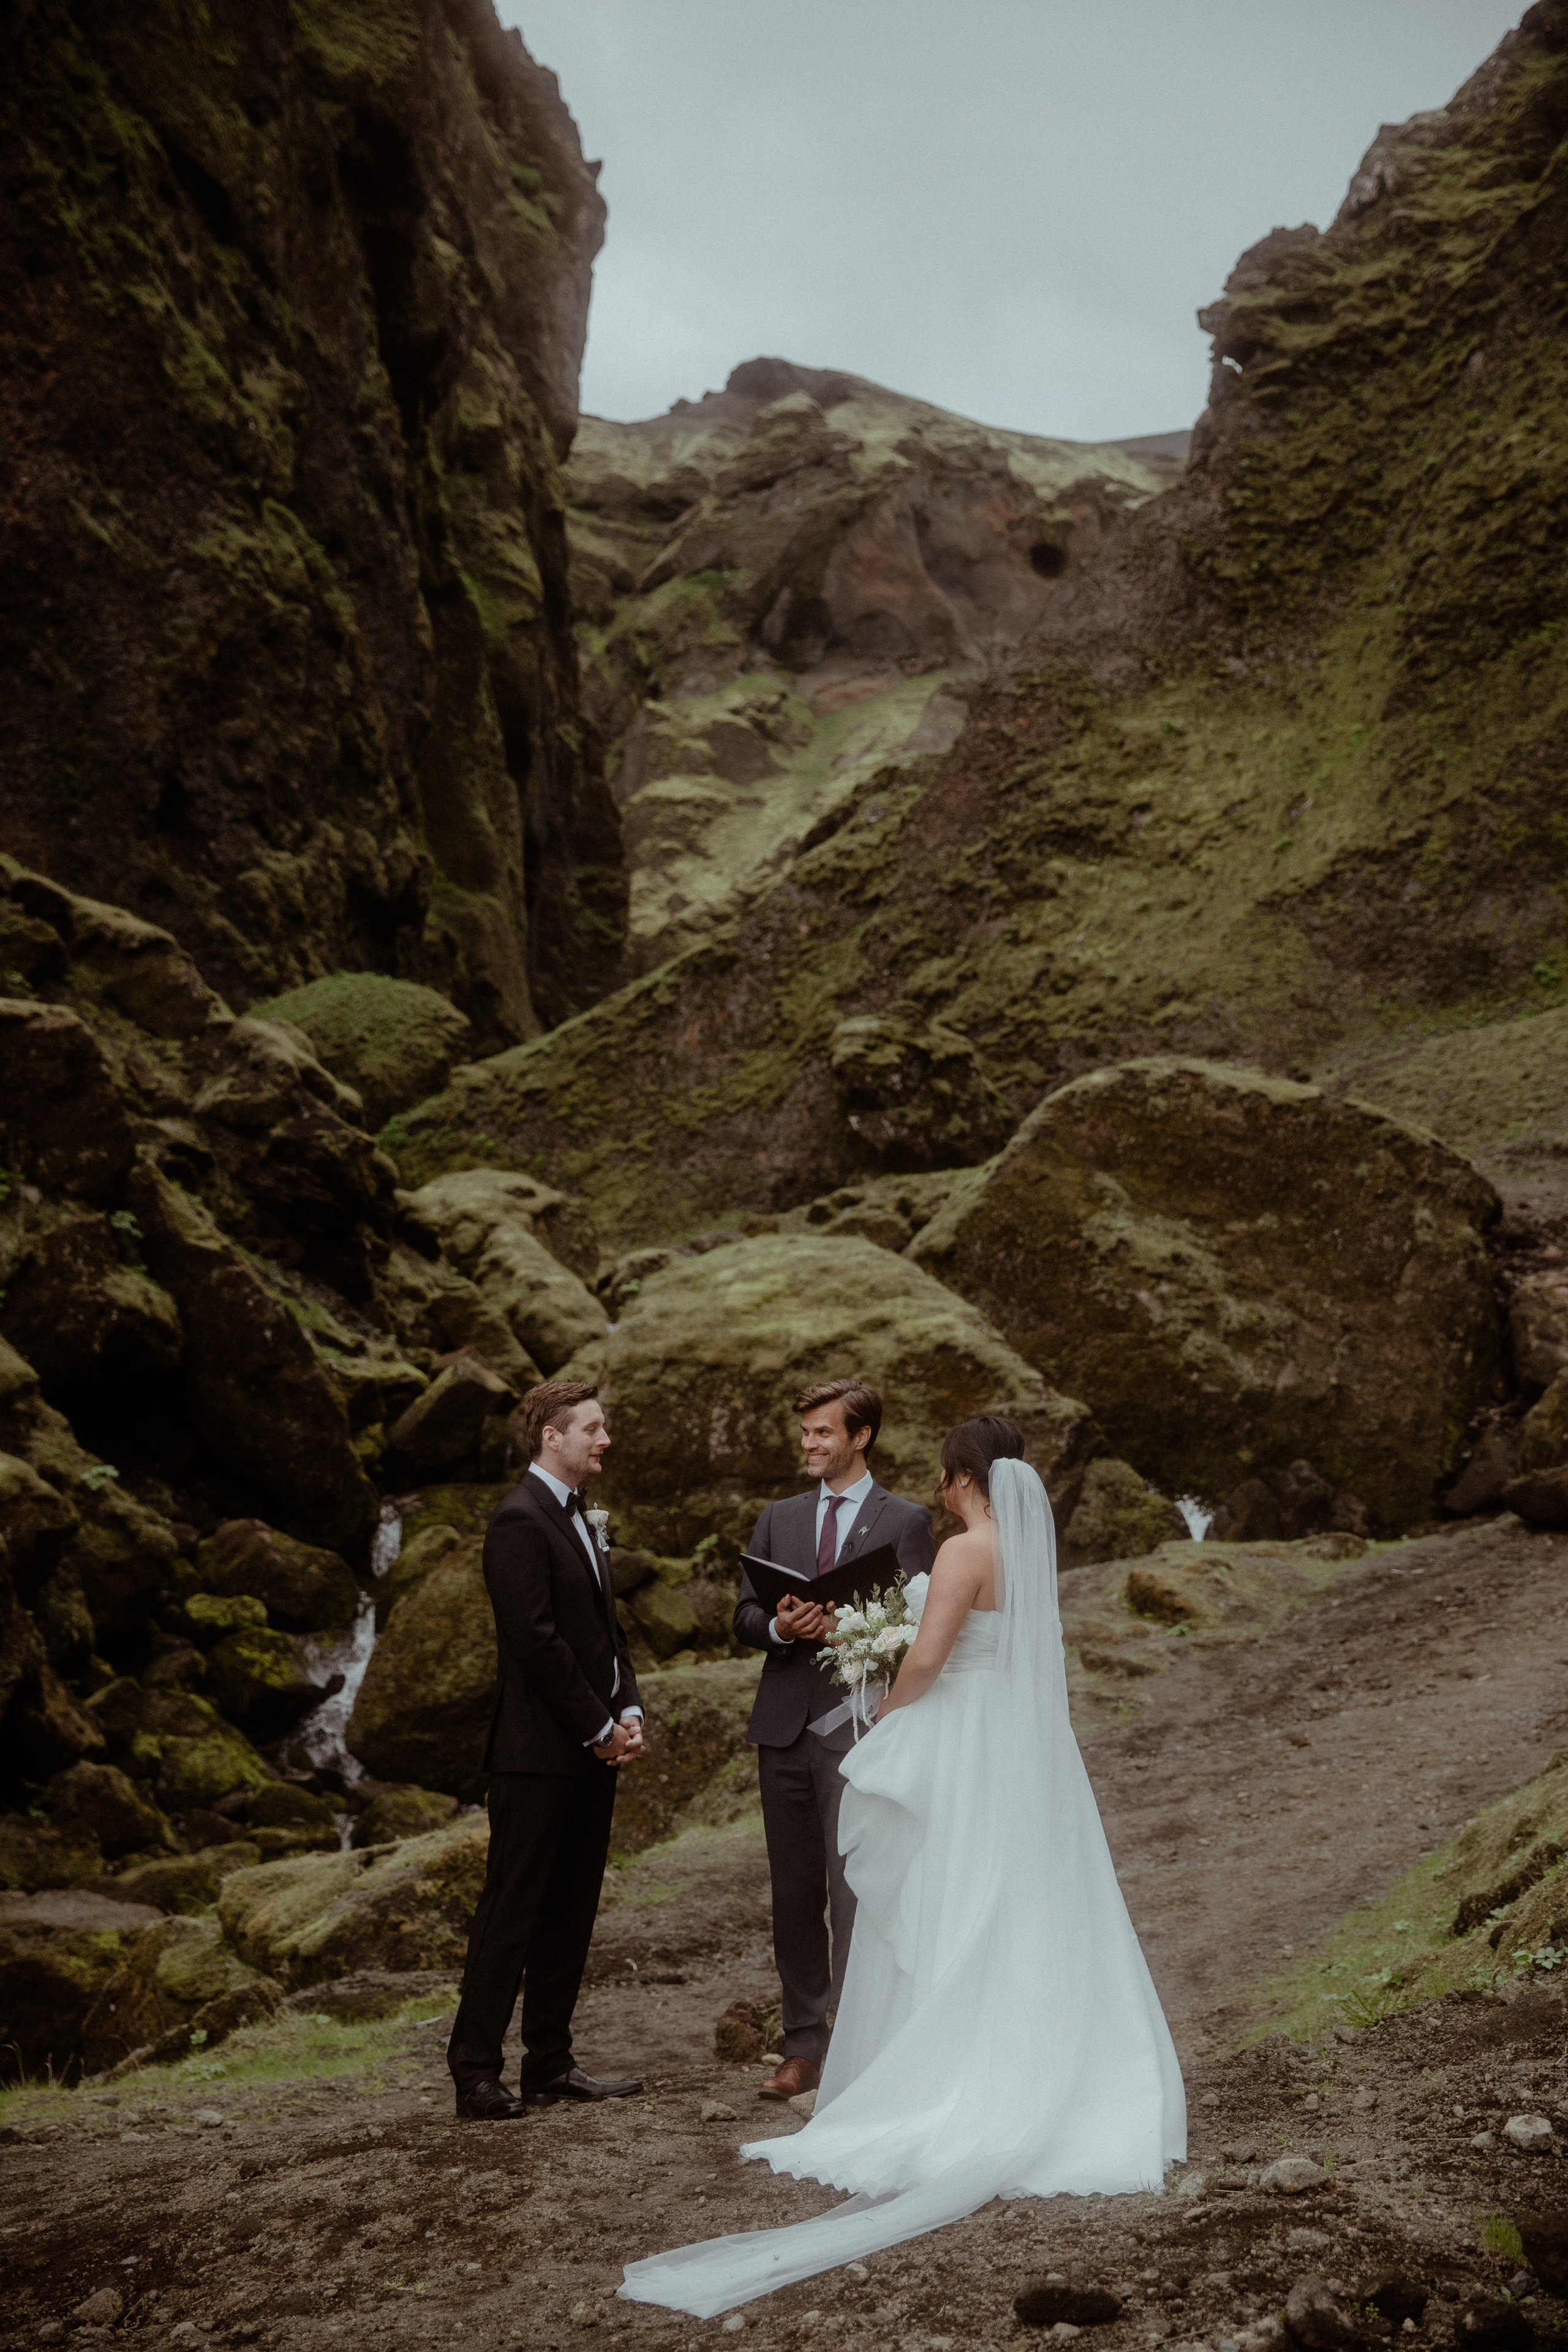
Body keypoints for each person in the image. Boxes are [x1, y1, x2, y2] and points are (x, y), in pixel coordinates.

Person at [622, 1415, 1186, 2315]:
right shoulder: (1027, 1557)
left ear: (962, 1477)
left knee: (949, 1898)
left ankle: (951, 2079)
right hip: (1022, 1751)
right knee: (1028, 1899)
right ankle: (1069, 2073)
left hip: (962, 1742)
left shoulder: (965, 1552)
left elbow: (928, 1657)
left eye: (946, 1475)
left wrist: (885, 1706)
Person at [445, 1378, 646, 2120]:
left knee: (571, 1910)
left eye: (603, 1426)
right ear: (549, 1437)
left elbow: (606, 1632)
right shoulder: (517, 1521)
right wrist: (599, 1729)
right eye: (591, 1428)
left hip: (592, 1751)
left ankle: (550, 2064)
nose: (604, 1440)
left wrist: (628, 1709)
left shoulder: (582, 1520)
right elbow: (534, 1641)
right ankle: (474, 2072)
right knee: (512, 1911)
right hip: (535, 1755)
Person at [731, 1377, 936, 2103]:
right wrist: (782, 1627)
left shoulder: (906, 1520)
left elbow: (921, 1630)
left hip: (858, 1731)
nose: (810, 1445)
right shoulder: (778, 1516)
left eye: (823, 1432)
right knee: (793, 1894)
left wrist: (849, 1631)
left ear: (860, 1436)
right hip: (782, 1729)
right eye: (806, 1433)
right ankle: (802, 2048)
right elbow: (744, 1618)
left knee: (855, 1888)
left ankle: (858, 2040)